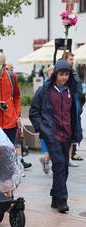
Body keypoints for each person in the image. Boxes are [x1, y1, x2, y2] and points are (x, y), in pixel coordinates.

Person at [29, 59, 83, 213]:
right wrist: (42, 128)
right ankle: (62, 200)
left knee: (64, 168)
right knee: (59, 164)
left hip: (67, 135)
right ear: (55, 74)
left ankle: (55, 197)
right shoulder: (44, 90)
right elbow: (34, 111)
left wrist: (76, 131)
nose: (64, 77)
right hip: (51, 135)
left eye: (66, 74)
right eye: (61, 74)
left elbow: (76, 112)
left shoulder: (71, 90)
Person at [62, 52, 84, 165]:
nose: (72, 61)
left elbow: (77, 88)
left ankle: (70, 157)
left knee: (73, 132)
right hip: (67, 107)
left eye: (73, 59)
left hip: (75, 105)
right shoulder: (63, 73)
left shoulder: (72, 71)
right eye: (70, 59)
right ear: (65, 59)